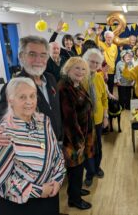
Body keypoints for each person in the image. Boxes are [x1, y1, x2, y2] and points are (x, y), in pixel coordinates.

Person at [0, 77, 66, 215]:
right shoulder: (4, 133)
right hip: (18, 206)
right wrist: (37, 191)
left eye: (32, 96)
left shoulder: (44, 121)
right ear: (10, 100)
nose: (29, 102)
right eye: (22, 97)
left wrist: (57, 179)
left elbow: (57, 155)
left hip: (49, 196)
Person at [0, 35, 62, 147]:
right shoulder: (13, 86)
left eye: (43, 55)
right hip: (35, 150)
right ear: (21, 56)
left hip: (56, 144)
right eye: (32, 54)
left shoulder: (51, 79)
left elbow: (55, 110)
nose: (38, 60)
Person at [58, 57, 93, 210]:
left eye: (83, 69)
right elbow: (69, 119)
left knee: (78, 168)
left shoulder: (76, 84)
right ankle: (74, 199)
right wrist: (79, 142)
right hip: (72, 138)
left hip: (81, 135)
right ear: (68, 69)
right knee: (76, 168)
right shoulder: (64, 88)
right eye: (76, 68)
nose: (80, 72)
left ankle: (75, 190)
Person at [82, 48, 109, 186]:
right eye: (91, 61)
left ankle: (97, 167)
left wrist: (105, 117)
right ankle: (89, 172)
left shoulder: (99, 77)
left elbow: (104, 99)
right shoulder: (80, 77)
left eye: (96, 62)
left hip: (98, 119)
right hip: (84, 121)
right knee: (87, 147)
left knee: (98, 146)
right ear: (85, 60)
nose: (93, 64)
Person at [95, 30, 118, 94]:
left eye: (110, 37)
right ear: (105, 37)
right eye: (107, 37)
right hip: (102, 72)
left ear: (113, 38)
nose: (109, 38)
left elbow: (115, 58)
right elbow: (96, 42)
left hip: (111, 72)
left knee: (110, 91)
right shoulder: (101, 44)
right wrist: (97, 35)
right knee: (102, 90)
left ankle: (110, 104)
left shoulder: (115, 46)